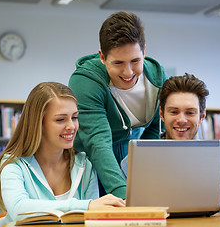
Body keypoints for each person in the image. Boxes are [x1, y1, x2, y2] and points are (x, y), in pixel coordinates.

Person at [121, 73, 220, 216]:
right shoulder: (137, 158)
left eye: (190, 112)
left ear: (202, 115)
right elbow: (120, 204)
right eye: (174, 112)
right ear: (162, 114)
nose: (181, 120)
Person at [68, 11, 168, 199]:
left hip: (130, 166)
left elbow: (154, 129)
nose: (128, 72)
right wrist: (125, 197)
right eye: (118, 63)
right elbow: (98, 143)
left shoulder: (157, 79)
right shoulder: (86, 82)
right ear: (103, 57)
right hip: (89, 168)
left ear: (144, 51)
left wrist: (142, 178)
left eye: (135, 61)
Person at [0, 82, 125, 222]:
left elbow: (90, 220)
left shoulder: (85, 165)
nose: (71, 126)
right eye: (60, 119)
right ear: (38, 123)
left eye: (74, 117)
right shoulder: (14, 164)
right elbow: (18, 209)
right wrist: (85, 206)